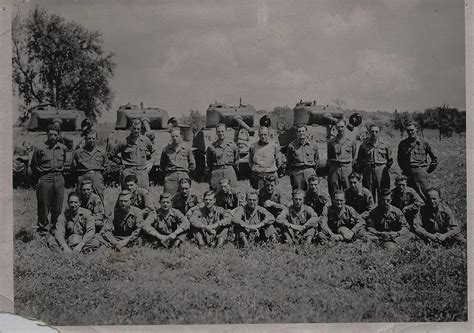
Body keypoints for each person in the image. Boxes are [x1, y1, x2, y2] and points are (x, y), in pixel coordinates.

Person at [30, 124, 67, 235]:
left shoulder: (62, 148)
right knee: (43, 205)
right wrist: (40, 178)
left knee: (58, 205)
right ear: (47, 135)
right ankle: (43, 230)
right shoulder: (40, 148)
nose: (53, 137)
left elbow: (64, 162)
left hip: (59, 178)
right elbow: (33, 165)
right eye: (50, 134)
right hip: (45, 178)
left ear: (58, 135)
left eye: (55, 135)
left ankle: (55, 228)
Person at [109, 119, 156, 189]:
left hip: (142, 172)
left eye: (138, 129)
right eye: (134, 128)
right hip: (128, 171)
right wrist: (121, 161)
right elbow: (111, 155)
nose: (136, 131)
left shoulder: (146, 140)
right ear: (130, 128)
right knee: (127, 196)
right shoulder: (123, 141)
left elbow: (154, 152)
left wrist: (151, 163)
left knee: (144, 194)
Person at [397, 121, 438, 201]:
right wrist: (405, 169)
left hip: (421, 174)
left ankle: (427, 212)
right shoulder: (402, 144)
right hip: (407, 174)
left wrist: (426, 171)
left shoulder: (424, 142)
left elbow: (435, 159)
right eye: (408, 130)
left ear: (417, 129)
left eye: (412, 130)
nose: (410, 132)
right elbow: (400, 160)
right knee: (408, 196)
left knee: (426, 195)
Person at [355, 124, 392, 203]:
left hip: (381, 171)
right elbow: (359, 160)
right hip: (368, 171)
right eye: (372, 131)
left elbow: (390, 160)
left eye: (376, 131)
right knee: (369, 194)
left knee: (383, 193)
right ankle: (371, 212)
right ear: (369, 132)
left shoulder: (385, 144)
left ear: (379, 132)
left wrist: (382, 168)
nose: (374, 133)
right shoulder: (364, 145)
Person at [72, 130, 107, 203]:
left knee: (99, 198)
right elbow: (73, 167)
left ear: (96, 139)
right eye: (89, 138)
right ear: (85, 139)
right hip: (83, 176)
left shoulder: (102, 152)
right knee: (80, 198)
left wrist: (99, 176)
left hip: (97, 176)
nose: (91, 140)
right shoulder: (78, 152)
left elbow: (106, 166)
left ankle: (100, 213)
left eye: (93, 138)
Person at [160, 127, 196, 195]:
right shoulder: (166, 149)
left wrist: (185, 172)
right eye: (173, 136)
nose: (175, 138)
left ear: (181, 136)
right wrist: (169, 173)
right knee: (168, 196)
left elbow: (192, 164)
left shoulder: (186, 148)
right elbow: (162, 165)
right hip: (170, 176)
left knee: (184, 196)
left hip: (183, 175)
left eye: (177, 136)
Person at [327, 119, 357, 196]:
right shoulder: (331, 142)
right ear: (336, 128)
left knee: (349, 190)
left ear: (345, 127)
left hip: (347, 168)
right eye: (338, 127)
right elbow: (329, 156)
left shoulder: (351, 141)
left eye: (342, 127)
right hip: (334, 168)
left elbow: (353, 155)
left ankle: (349, 207)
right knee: (334, 190)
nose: (340, 129)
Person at [206, 123, 239, 191]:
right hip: (216, 171)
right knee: (214, 192)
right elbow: (209, 162)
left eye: (222, 131)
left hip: (229, 171)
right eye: (218, 131)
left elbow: (236, 160)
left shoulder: (233, 146)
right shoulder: (211, 147)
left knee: (232, 191)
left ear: (226, 131)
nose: (221, 133)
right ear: (216, 132)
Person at [286, 124, 319, 190]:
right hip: (297, 172)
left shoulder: (313, 144)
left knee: (311, 192)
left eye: (303, 131)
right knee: (298, 193)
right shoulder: (292, 146)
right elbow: (289, 161)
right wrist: (293, 173)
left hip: (310, 171)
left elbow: (317, 159)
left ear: (306, 132)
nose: (301, 133)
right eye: (299, 131)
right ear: (296, 133)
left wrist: (312, 170)